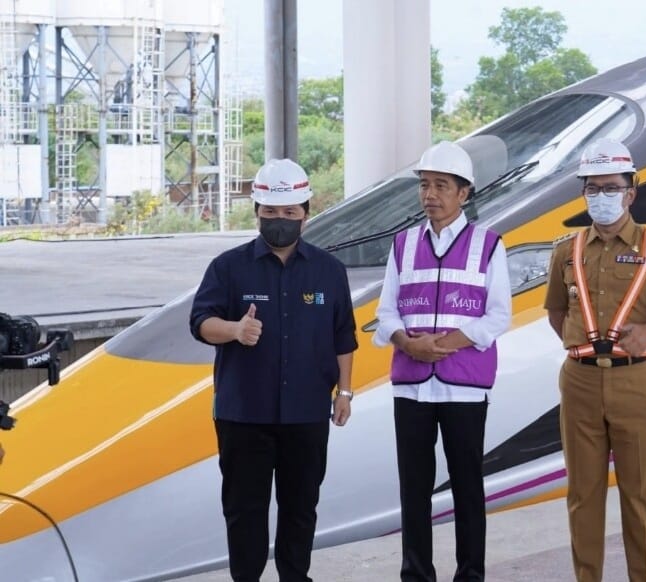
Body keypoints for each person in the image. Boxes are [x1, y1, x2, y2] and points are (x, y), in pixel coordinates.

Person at [189, 158, 358, 582]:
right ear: (257, 212)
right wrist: (234, 329)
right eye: (270, 213)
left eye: (288, 213)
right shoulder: (228, 267)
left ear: (305, 211)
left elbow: (344, 337)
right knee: (244, 512)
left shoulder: (329, 271)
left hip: (306, 413)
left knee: (301, 508)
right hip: (243, 414)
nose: (279, 221)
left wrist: (345, 392)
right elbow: (200, 323)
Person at [543, 138, 646, 582]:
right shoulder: (565, 250)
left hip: (635, 379)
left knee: (640, 493)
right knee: (582, 495)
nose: (600, 197)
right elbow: (556, 312)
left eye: (610, 188)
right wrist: (581, 347)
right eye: (592, 188)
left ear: (631, 192)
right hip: (580, 381)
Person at [372, 141, 512, 582]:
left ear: (464, 193)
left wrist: (446, 342)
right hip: (411, 384)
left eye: (441, 186)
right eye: (425, 185)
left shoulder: (488, 246)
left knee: (468, 486)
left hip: (463, 385)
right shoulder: (402, 244)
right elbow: (386, 310)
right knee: (413, 488)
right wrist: (407, 344)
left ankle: (470, 575)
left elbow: (498, 315)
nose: (430, 195)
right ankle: (415, 574)